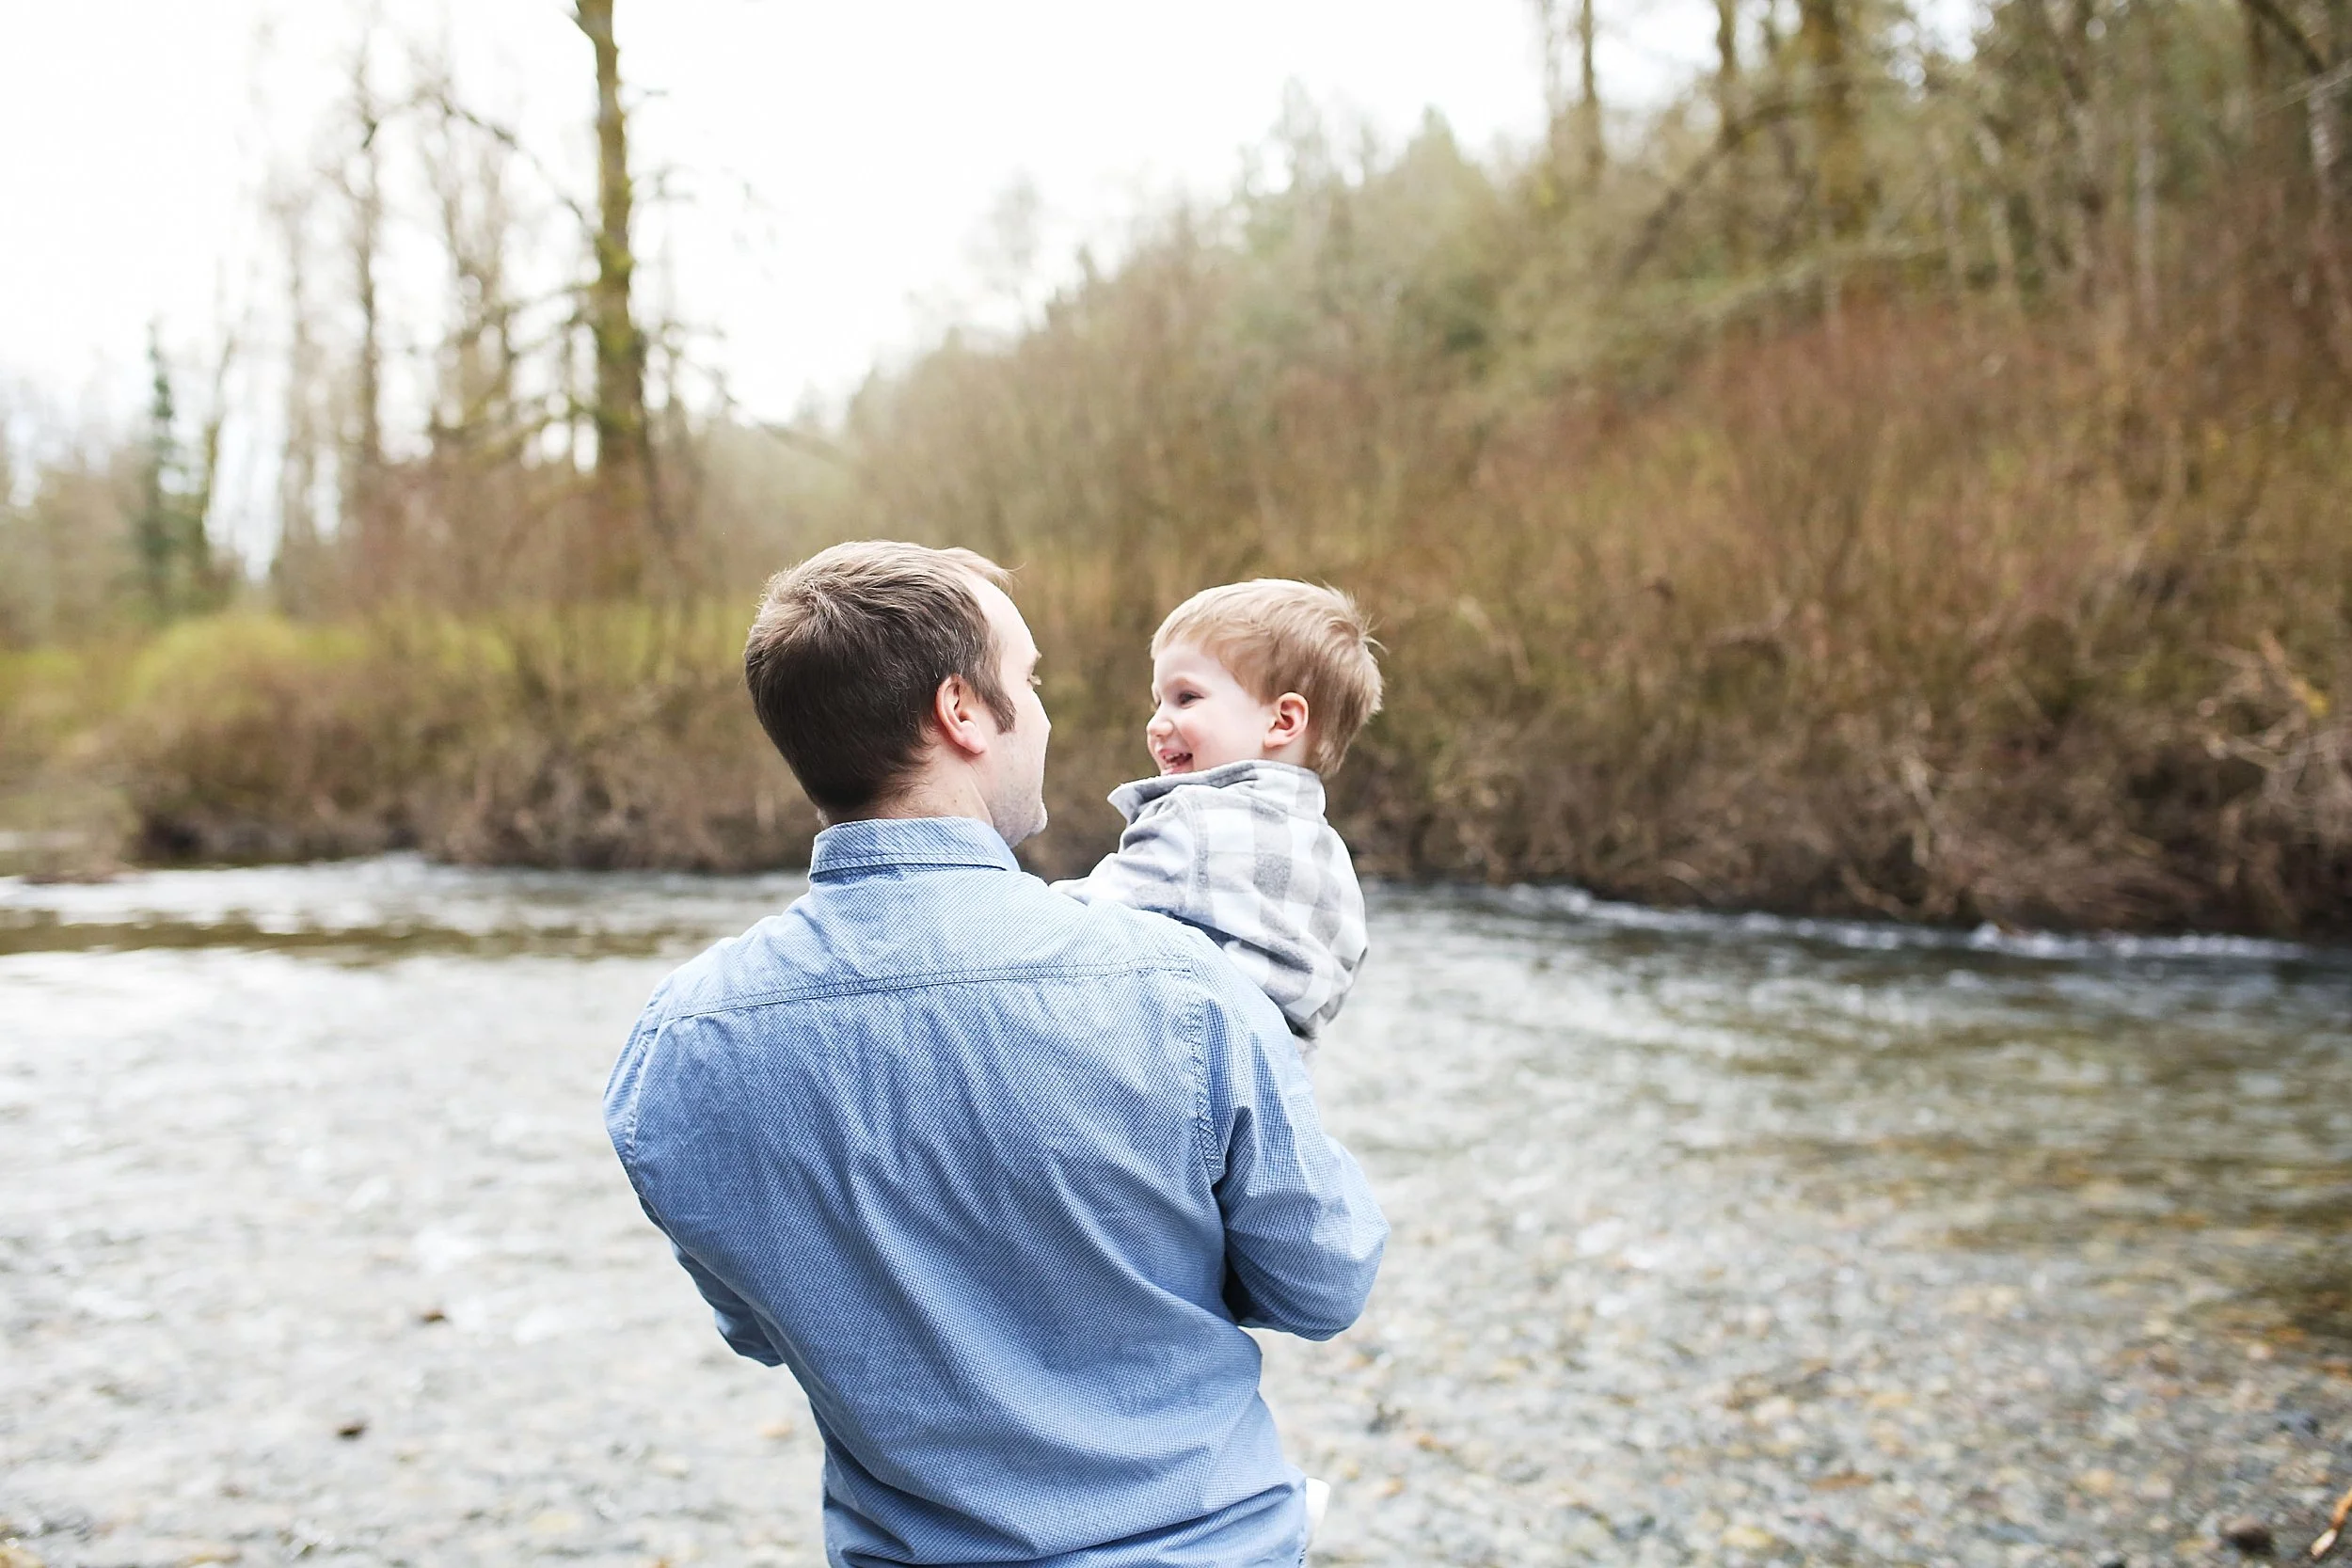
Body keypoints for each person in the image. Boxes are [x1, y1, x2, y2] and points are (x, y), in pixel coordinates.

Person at [603, 541, 1388, 1568]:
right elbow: (1322, 1281)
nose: (1051, 715)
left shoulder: (673, 1050)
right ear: (961, 710)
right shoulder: (1184, 985)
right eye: (1030, 680)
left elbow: (759, 1323)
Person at [1054, 580, 1382, 1051]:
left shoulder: (1193, 820)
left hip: (1174, 1066)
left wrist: (996, 898)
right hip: (1279, 1092)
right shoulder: (1332, 859)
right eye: (1158, 701)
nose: (1156, 723)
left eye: (1186, 698)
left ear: (1283, 720)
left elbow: (1071, 921)